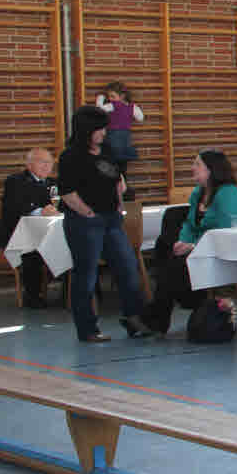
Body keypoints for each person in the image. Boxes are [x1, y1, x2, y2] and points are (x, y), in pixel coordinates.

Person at [56, 106, 155, 342]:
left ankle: (134, 319)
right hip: (84, 221)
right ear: (86, 130)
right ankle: (87, 328)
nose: (104, 132)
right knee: (86, 275)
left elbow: (117, 179)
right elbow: (67, 192)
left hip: (111, 218)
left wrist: (119, 202)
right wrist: (87, 212)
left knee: (127, 267)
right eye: (99, 129)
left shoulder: (108, 150)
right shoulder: (71, 156)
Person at [142, 150, 237, 334]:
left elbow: (226, 231)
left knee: (173, 267)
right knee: (168, 252)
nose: (193, 168)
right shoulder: (198, 193)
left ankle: (157, 319)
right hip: (202, 250)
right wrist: (182, 242)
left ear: (211, 169)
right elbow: (190, 224)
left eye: (198, 164)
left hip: (224, 251)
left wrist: (193, 246)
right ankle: (158, 319)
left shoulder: (228, 194)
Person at [0, 148, 58, 307]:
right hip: (17, 234)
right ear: (29, 164)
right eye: (42, 162)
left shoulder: (53, 183)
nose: (46, 166)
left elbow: (60, 205)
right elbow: (15, 206)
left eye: (49, 162)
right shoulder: (15, 181)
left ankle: (71, 292)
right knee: (33, 249)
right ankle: (32, 295)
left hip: (49, 233)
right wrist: (39, 211)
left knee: (76, 243)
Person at [96, 81, 143, 169]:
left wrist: (100, 99)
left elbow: (99, 111)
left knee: (111, 163)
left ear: (122, 96)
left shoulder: (113, 105)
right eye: (109, 96)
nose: (110, 99)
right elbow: (140, 118)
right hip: (125, 138)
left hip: (112, 136)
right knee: (122, 164)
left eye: (112, 96)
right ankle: (122, 177)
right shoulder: (132, 106)